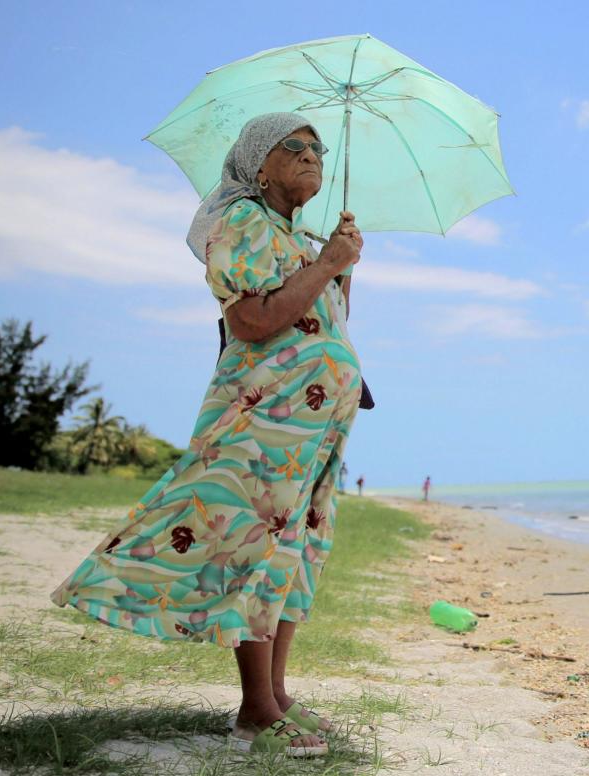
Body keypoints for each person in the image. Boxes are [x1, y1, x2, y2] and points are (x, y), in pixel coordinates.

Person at [51, 113, 365, 758]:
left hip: (309, 428)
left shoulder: (299, 239)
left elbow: (319, 327)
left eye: (319, 150)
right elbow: (253, 320)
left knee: (294, 554)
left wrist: (339, 269)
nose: (312, 157)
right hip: (263, 423)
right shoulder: (242, 222)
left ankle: (274, 698)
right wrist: (328, 262)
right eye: (294, 148)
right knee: (256, 548)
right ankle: (255, 707)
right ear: (258, 166)